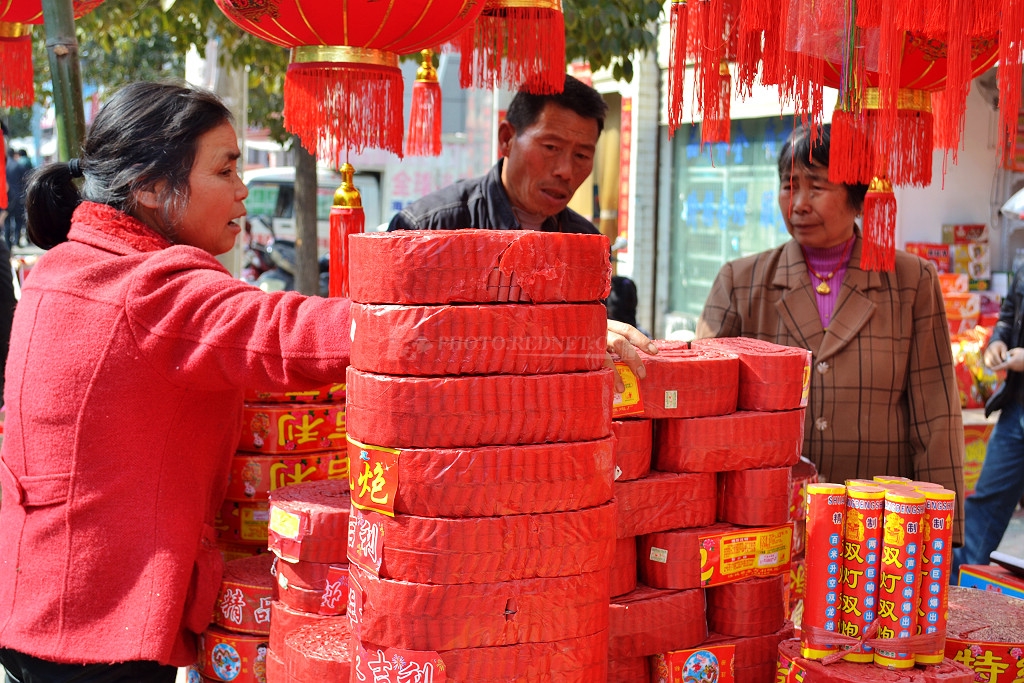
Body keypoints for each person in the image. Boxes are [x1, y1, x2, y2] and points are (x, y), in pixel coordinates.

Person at [0, 82, 355, 681]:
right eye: (225, 168)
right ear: (152, 187)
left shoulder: (60, 267)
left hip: (35, 601)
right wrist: (426, 311)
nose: (243, 189)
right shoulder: (148, 286)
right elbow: (283, 332)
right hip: (102, 629)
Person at [695, 123, 966, 544]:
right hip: (766, 518)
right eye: (789, 186)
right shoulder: (740, 281)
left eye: (816, 187)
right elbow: (705, 411)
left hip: (880, 522)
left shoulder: (911, 281)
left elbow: (936, 414)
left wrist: (939, 532)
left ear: (858, 197)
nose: (798, 204)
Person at [388, 73, 656, 383]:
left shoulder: (587, 245)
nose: (566, 171)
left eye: (582, 155)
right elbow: (393, 341)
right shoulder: (426, 230)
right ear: (506, 139)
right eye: (551, 147)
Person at [953, 268, 1024, 576]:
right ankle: (960, 589)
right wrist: (998, 341)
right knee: (986, 502)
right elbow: (1008, 317)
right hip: (1017, 409)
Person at [4, 148, 30, 249]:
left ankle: (7, 243)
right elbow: (25, 180)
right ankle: (16, 240)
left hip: (6, 197)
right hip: (18, 196)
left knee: (7, 221)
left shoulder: (3, 166)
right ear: (14, 154)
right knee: (18, 220)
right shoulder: (18, 165)